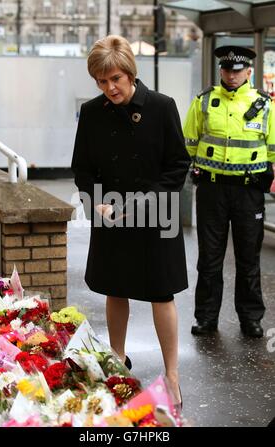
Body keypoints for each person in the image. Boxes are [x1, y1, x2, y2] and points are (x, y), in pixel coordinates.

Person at [71, 35, 191, 407]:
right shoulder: (92, 112)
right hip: (112, 214)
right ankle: (117, 359)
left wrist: (146, 202)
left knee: (161, 293)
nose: (109, 88)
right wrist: (98, 203)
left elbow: (178, 164)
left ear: (130, 74)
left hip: (156, 215)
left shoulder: (162, 106)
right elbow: (83, 169)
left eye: (116, 79)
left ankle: (171, 374)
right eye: (102, 82)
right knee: (115, 287)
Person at [183, 45, 275, 338]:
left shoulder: (265, 104)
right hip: (212, 190)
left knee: (249, 257)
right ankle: (206, 318)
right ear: (220, 70)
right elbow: (188, 142)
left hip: (249, 193)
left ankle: (251, 319)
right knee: (210, 258)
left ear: (248, 72)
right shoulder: (204, 101)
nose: (231, 75)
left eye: (237, 71)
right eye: (226, 70)